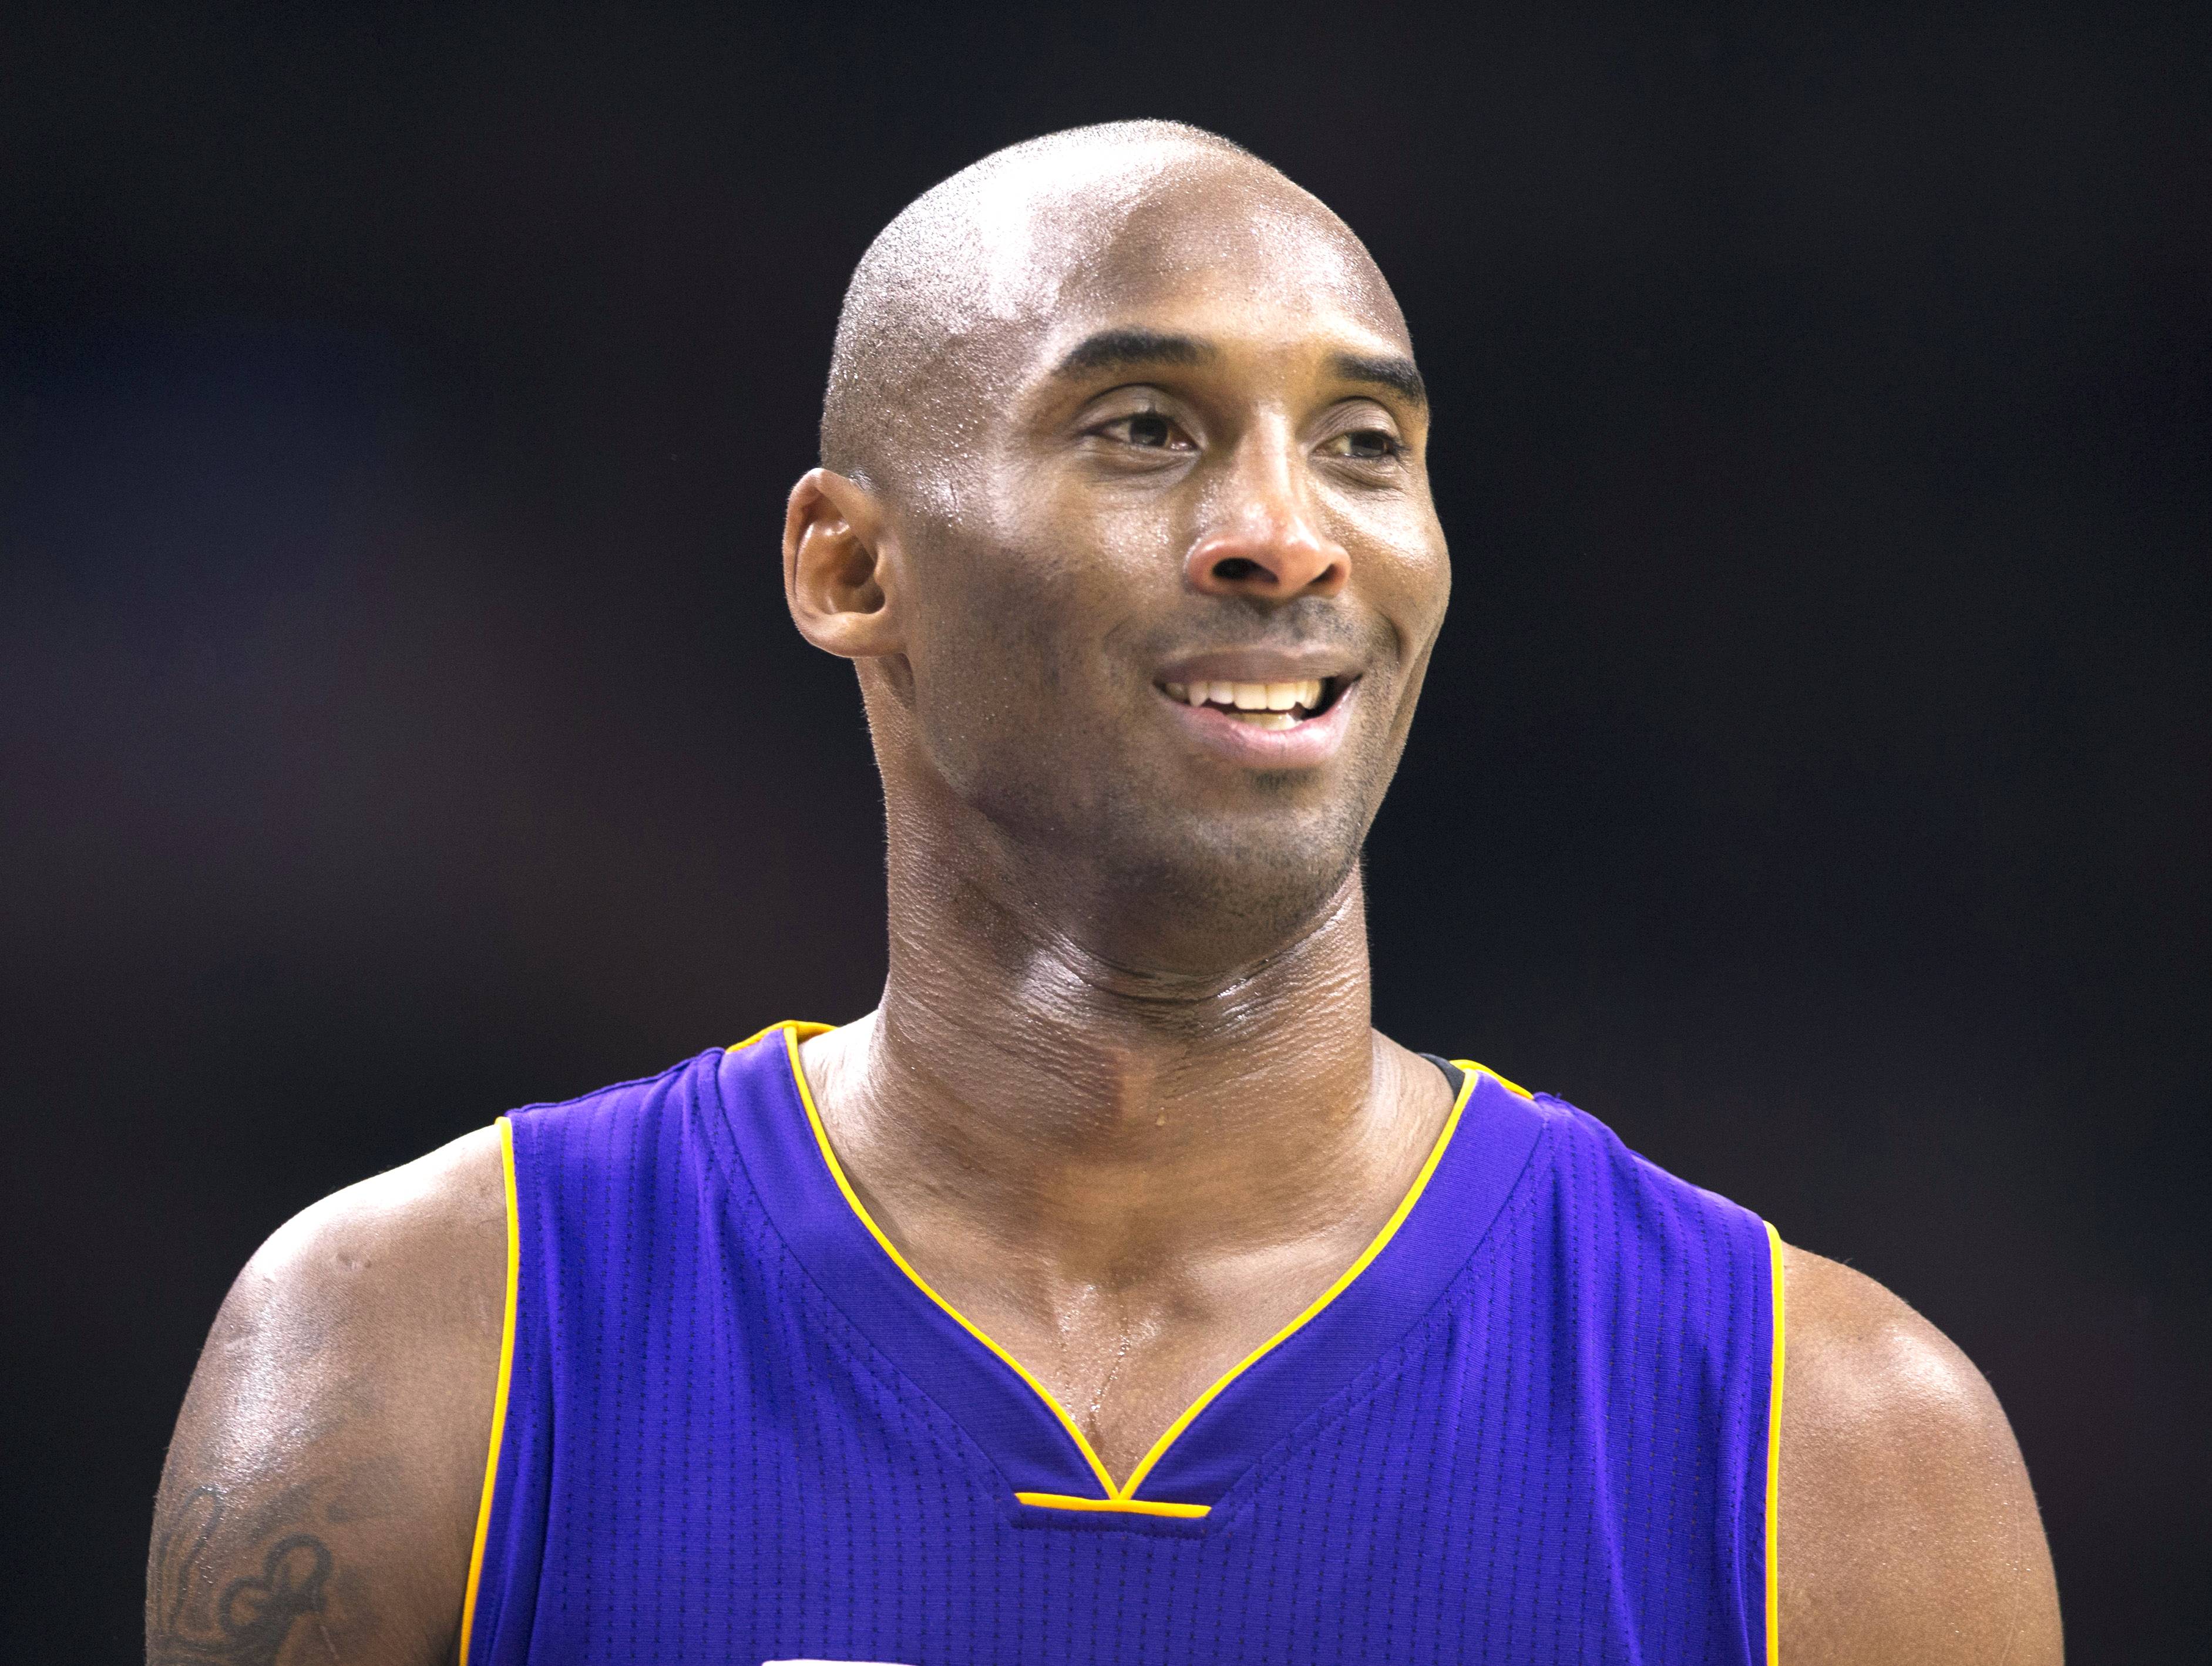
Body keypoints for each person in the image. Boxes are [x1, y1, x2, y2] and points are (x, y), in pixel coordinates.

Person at [147, 122, 2062, 1665]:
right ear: (850, 569)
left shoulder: (1836, 1449)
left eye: (1364, 446)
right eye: (1146, 428)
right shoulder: (420, 1355)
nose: (1283, 535)